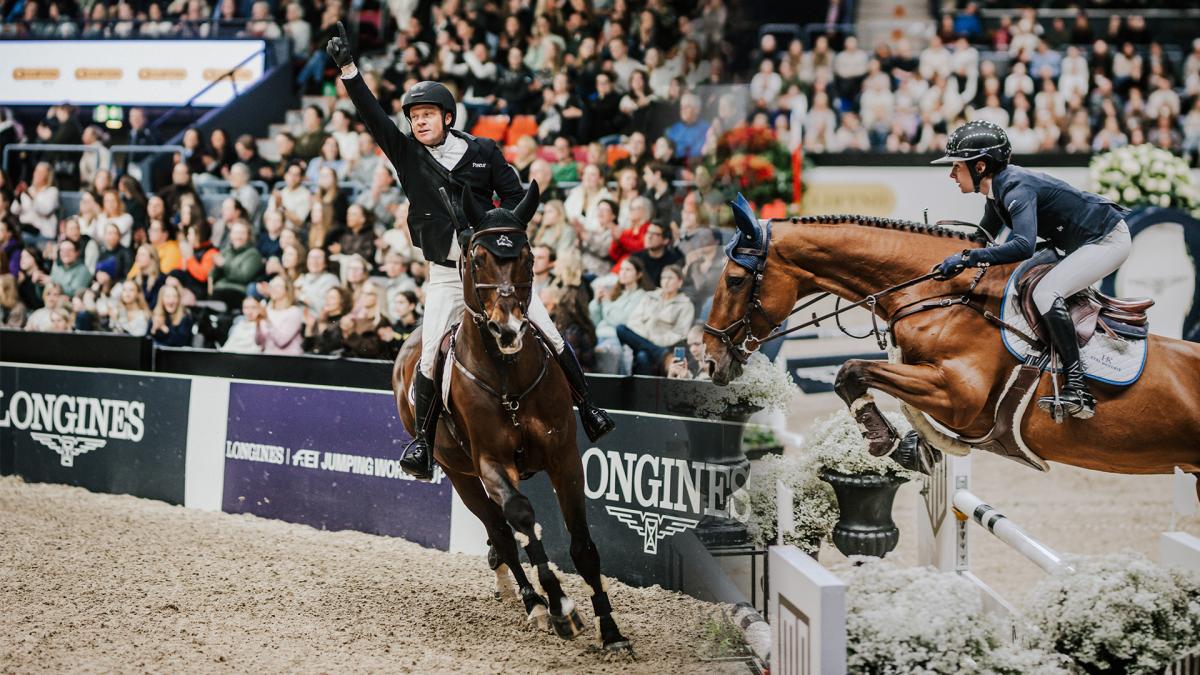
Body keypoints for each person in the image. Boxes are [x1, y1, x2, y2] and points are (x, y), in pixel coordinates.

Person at [328, 23, 615, 480]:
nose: (418, 121)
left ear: (447, 116)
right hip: (446, 273)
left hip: (495, 272)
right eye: (413, 116)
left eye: (427, 114)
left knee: (549, 331)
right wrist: (348, 69)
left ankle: (589, 408)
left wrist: (501, 235)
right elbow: (371, 116)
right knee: (426, 355)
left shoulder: (482, 150)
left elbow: (515, 196)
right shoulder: (405, 153)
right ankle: (422, 443)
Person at [931, 120, 1131, 421]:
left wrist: (967, 258)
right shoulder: (995, 193)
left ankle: (1078, 385)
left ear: (980, 167)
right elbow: (982, 238)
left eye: (956, 167)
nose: (950, 175)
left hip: (1106, 239)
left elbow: (1023, 245)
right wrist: (946, 254)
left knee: (1046, 292)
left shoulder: (1015, 188)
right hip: (1073, 241)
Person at [615, 264, 694, 375]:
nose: (665, 281)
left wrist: (655, 340)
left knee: (643, 355)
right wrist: (647, 338)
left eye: (670, 278)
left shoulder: (685, 304)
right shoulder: (649, 296)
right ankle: (662, 355)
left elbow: (680, 333)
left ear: (680, 282)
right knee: (620, 329)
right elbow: (633, 321)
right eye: (663, 277)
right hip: (643, 340)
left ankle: (642, 391)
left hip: (665, 345)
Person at [255, 275, 304, 354]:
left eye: (277, 286)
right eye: (272, 286)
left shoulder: (294, 312)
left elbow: (281, 341)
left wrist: (267, 319)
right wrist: (257, 325)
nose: (273, 289)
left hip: (288, 360)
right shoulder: (267, 310)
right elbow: (259, 342)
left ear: (287, 289)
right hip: (267, 357)